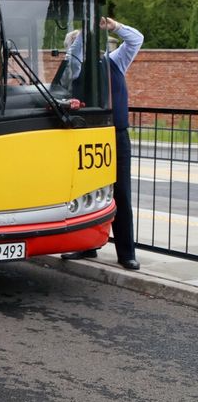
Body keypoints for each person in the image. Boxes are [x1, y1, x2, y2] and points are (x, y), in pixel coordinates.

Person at [62, 16, 144, 270]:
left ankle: (126, 252)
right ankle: (87, 245)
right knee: (88, 192)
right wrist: (86, 31)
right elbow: (74, 54)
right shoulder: (75, 67)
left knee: (122, 193)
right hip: (89, 136)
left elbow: (136, 40)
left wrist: (115, 27)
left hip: (117, 135)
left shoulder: (115, 61)